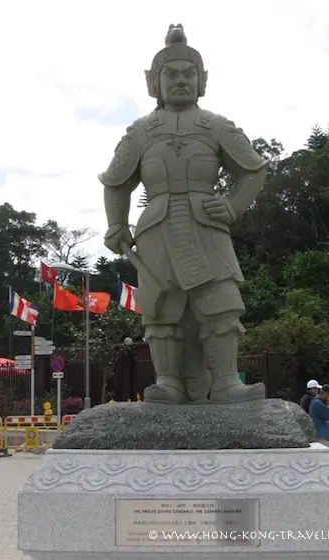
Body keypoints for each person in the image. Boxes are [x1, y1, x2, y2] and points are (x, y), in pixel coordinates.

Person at [99, 24, 268, 404]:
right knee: (161, 308)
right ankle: (169, 382)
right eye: (170, 74)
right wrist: (115, 223)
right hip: (157, 226)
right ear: (153, 82)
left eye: (188, 74)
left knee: (221, 300)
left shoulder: (217, 126)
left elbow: (254, 169)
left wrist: (231, 205)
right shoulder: (141, 131)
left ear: (202, 79)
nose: (180, 81)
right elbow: (115, 181)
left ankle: (225, 381)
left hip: (206, 223)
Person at [309, 384, 329, 453]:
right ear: (327, 395)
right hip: (319, 437)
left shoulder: (318, 401)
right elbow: (328, 414)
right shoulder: (317, 403)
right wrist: (328, 402)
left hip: (320, 436)